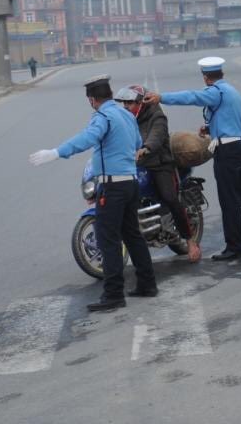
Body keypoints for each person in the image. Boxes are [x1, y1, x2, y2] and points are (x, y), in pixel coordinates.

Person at [30, 75, 157, 311]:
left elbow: (87, 138)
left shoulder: (103, 117)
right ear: (108, 95)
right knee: (132, 236)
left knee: (107, 240)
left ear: (92, 100)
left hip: (112, 187)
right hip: (130, 183)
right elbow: (138, 142)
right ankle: (147, 284)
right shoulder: (127, 115)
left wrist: (57, 152)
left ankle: (113, 295)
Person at [143, 57, 241, 262]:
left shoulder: (216, 92)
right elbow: (229, 118)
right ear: (221, 73)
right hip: (239, 147)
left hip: (227, 151)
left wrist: (160, 97)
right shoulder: (232, 92)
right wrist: (209, 128)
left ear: (206, 77)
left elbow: (191, 97)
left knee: (229, 200)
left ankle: (235, 247)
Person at [114, 84, 201, 263]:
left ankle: (191, 241)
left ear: (140, 103)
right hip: (137, 165)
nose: (126, 107)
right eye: (124, 103)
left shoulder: (157, 116)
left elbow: (157, 135)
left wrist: (146, 148)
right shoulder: (127, 119)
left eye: (129, 103)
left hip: (160, 164)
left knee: (170, 198)